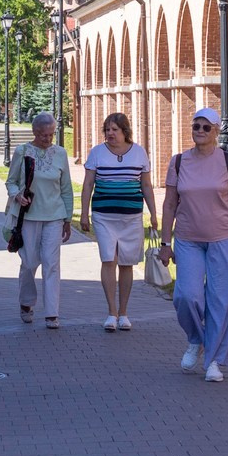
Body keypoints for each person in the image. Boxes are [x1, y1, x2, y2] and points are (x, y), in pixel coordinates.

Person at [164, 109, 228, 383]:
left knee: (220, 301)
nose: (199, 131)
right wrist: (166, 242)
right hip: (188, 239)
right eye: (195, 126)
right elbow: (170, 203)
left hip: (224, 238)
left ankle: (213, 360)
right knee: (186, 296)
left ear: (216, 131)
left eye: (205, 127)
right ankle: (197, 339)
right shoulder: (179, 162)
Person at [78, 111, 153, 332]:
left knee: (127, 262)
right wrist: (84, 213)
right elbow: (87, 184)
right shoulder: (97, 153)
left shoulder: (139, 152)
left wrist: (154, 214)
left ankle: (124, 313)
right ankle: (111, 312)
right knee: (108, 259)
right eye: (107, 130)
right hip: (103, 215)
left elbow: (146, 185)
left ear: (125, 131)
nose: (110, 133)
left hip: (131, 217)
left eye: (114, 130)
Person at [6, 112, 74, 328]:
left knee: (51, 263)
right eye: (44, 135)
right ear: (34, 132)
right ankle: (26, 302)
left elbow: (66, 188)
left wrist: (67, 218)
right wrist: (18, 195)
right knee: (29, 262)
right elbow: (11, 182)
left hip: (54, 215)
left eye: (51, 134)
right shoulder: (22, 151)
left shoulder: (60, 153)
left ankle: (52, 313)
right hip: (28, 216)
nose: (48, 139)